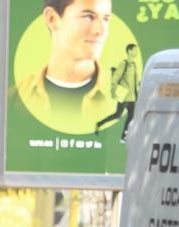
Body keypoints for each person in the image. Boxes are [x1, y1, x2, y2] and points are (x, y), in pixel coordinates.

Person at [15, 0, 115, 130]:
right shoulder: (15, 99)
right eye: (88, 17)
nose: (100, 30)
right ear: (52, 19)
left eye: (106, 19)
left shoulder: (122, 99)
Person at [94, 43, 139, 141]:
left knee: (131, 117)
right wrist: (113, 90)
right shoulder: (124, 64)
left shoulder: (134, 65)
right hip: (124, 96)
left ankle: (124, 136)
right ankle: (99, 124)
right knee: (118, 115)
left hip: (132, 97)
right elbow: (115, 78)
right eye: (134, 50)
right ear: (129, 51)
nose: (136, 52)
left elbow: (135, 81)